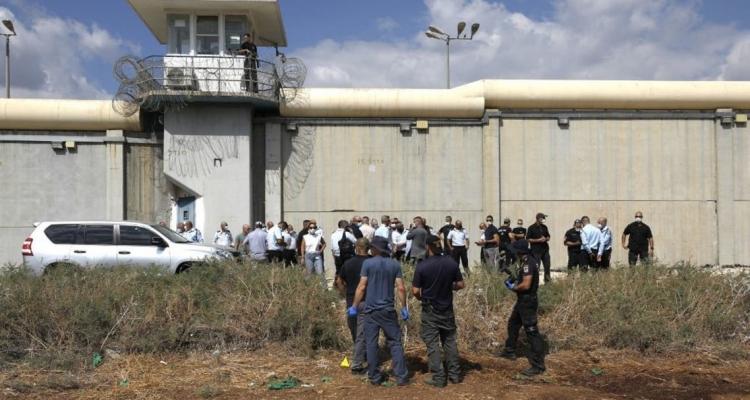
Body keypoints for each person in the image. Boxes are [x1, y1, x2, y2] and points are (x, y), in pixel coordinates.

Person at [350, 236, 409, 386]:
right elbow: (401, 288)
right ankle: (401, 376)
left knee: (371, 343)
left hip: (371, 311)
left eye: (372, 247)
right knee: (395, 342)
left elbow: (362, 287)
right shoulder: (394, 264)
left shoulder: (368, 264)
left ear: (376, 249)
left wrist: (354, 306)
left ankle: (374, 377)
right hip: (388, 310)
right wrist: (404, 307)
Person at [412, 235, 465, 387]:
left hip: (430, 309)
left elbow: (415, 291)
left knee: (432, 343)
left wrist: (422, 297)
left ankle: (438, 377)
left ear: (427, 246)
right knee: (449, 341)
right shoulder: (451, 262)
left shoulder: (422, 266)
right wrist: (449, 286)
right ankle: (455, 375)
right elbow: (461, 284)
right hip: (447, 309)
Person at [498, 240, 546, 376]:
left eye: (515, 250)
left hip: (527, 302)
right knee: (513, 324)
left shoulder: (528, 264)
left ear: (519, 251)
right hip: (523, 301)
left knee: (532, 332)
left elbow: (526, 285)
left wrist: (513, 287)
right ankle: (509, 351)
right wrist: (514, 279)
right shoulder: (525, 261)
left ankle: (538, 365)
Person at [335, 238, 370, 375]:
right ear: (368, 248)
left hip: (351, 300)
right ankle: (364, 354)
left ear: (357, 247)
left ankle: (359, 357)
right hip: (368, 299)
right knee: (365, 331)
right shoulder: (372, 262)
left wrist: (345, 292)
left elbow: (339, 280)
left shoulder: (348, 263)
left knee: (354, 328)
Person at [527, 213, 551, 283]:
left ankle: (547, 282)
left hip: (545, 250)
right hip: (536, 251)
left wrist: (546, 239)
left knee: (547, 266)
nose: (544, 219)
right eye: (543, 218)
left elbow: (548, 236)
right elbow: (528, 239)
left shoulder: (544, 227)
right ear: (538, 218)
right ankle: (535, 282)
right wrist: (538, 240)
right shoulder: (531, 227)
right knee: (536, 267)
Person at [302, 220, 326, 285]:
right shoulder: (305, 237)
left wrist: (320, 251)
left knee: (320, 272)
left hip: (317, 255)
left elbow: (324, 244)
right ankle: (308, 287)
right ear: (308, 228)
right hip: (308, 255)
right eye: (311, 227)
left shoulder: (318, 236)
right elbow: (302, 246)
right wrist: (302, 257)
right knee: (309, 273)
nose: (312, 229)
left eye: (314, 227)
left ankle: (324, 288)